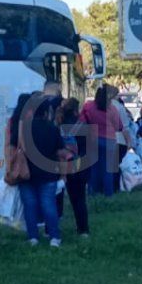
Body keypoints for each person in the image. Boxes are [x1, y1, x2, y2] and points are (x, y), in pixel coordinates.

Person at [14, 92, 70, 247]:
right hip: (48, 173)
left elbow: (20, 147)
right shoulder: (52, 129)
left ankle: (33, 237)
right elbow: (60, 152)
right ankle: (54, 237)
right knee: (48, 205)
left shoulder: (25, 128)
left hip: (27, 173)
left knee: (30, 206)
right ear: (47, 112)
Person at [80, 84, 127, 196]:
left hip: (93, 139)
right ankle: (108, 194)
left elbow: (82, 121)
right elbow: (118, 127)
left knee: (94, 169)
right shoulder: (112, 109)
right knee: (108, 170)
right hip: (109, 141)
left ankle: (93, 193)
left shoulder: (88, 106)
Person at [56, 97, 91, 237]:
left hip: (65, 166)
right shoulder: (82, 126)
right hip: (81, 166)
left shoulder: (59, 126)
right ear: (76, 111)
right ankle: (83, 229)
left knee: (61, 198)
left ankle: (52, 230)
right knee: (80, 200)